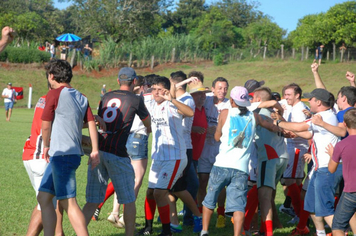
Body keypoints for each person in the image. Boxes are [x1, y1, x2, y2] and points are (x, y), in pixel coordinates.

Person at [201, 86, 282, 236]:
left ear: (231, 100)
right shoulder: (254, 117)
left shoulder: (225, 113)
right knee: (238, 206)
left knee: (209, 200)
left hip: (221, 165)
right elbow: (270, 126)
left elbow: (217, 137)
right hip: (241, 169)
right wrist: (282, 128)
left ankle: (204, 230)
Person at [82, 67, 151, 236]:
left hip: (98, 149)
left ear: (118, 81)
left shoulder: (105, 96)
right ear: (134, 82)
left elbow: (100, 121)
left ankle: (80, 232)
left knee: (92, 201)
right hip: (118, 153)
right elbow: (148, 124)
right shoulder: (136, 100)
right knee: (128, 200)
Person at [36, 59, 100, 236]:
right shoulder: (81, 96)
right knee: (43, 197)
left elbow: (46, 124)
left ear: (51, 76)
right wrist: (94, 150)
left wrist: (46, 145)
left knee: (68, 202)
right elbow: (92, 123)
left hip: (61, 155)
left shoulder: (54, 94)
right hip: (67, 155)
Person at [276, 88, 339, 236]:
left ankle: (340, 232)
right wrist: (291, 130)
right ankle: (320, 233)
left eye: (311, 99)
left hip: (325, 169)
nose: (308, 101)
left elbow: (300, 126)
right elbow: (307, 133)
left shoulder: (323, 116)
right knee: (310, 205)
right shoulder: (321, 116)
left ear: (318, 102)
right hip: (318, 169)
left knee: (325, 209)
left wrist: (279, 122)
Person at [139, 76, 193, 236]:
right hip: (158, 157)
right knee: (150, 192)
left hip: (174, 158)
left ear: (166, 91)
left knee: (159, 193)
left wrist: (172, 98)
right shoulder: (150, 103)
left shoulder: (171, 105)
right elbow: (138, 95)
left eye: (159, 89)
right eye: (153, 88)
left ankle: (166, 231)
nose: (155, 92)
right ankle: (148, 228)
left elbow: (189, 112)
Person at [22, 82, 65, 236]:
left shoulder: (42, 98)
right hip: (43, 157)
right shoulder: (56, 100)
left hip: (31, 153)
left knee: (44, 203)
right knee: (47, 205)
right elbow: (58, 127)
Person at [252, 87, 289, 236]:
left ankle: (267, 232)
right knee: (271, 193)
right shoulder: (276, 113)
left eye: (254, 98)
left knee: (264, 196)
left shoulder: (258, 113)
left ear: (258, 100)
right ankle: (269, 225)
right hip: (282, 155)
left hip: (268, 156)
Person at [197, 77, 230, 229]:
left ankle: (221, 214)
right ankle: (199, 215)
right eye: (219, 88)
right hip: (204, 148)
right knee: (202, 181)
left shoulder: (230, 104)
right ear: (212, 89)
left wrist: (219, 131)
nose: (222, 91)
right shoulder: (206, 100)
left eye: (225, 88)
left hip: (220, 149)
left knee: (220, 183)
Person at [279, 83, 309, 226]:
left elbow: (299, 131)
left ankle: (299, 214)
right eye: (285, 94)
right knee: (295, 181)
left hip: (297, 147)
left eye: (289, 94)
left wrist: (281, 128)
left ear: (297, 95)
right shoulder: (292, 107)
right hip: (293, 147)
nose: (286, 97)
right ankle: (302, 212)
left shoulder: (299, 109)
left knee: (290, 180)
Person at [327, 108, 356, 236]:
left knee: (338, 226)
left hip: (351, 191)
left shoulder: (341, 145)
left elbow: (331, 169)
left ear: (344, 124)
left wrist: (332, 155)